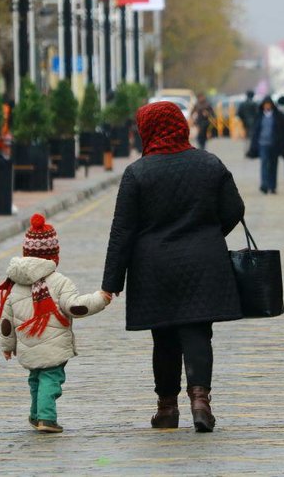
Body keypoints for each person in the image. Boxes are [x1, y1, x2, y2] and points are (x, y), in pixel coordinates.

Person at [101, 100, 245, 432]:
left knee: (163, 336)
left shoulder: (138, 173)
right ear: (181, 125)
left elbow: (122, 231)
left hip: (154, 267)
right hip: (203, 261)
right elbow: (234, 208)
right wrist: (208, 234)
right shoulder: (209, 164)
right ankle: (200, 402)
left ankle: (167, 408)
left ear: (146, 130)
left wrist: (111, 283)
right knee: (197, 332)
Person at [0, 214, 110, 434]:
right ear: (54, 255)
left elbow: (6, 321)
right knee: (51, 379)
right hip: (53, 345)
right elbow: (74, 307)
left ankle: (36, 414)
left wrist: (8, 347)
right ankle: (46, 417)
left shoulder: (16, 284)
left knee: (35, 379)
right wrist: (100, 298)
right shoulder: (59, 281)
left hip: (28, 344)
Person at [248, 96, 284, 195]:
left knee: (273, 166)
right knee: (264, 164)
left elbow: (283, 130)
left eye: (269, 104)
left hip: (275, 144)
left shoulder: (278, 116)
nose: (267, 106)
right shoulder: (259, 116)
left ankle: (273, 186)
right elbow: (255, 131)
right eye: (265, 104)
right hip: (263, 144)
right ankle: (264, 185)